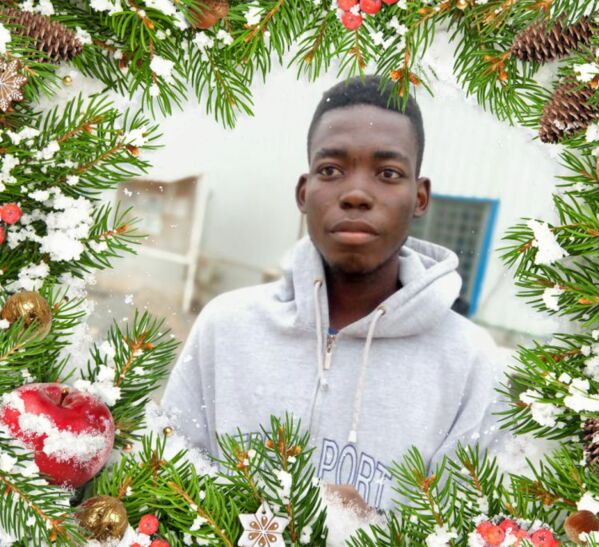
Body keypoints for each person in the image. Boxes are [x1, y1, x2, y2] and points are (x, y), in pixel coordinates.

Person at [160, 74, 509, 512]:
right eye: (331, 170)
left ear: (420, 198)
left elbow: (474, 527)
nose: (357, 194)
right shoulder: (225, 327)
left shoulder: (471, 363)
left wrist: (371, 532)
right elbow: (166, 482)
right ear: (304, 192)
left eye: (388, 173)